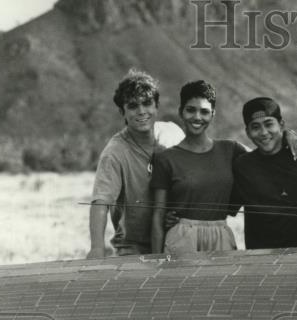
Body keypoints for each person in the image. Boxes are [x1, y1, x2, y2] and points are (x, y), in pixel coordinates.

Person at [88, 69, 184, 258]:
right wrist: (97, 248)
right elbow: (101, 202)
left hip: (176, 239)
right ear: (122, 111)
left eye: (147, 103)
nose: (141, 111)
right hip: (134, 249)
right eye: (133, 106)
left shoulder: (173, 133)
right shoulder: (114, 153)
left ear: (156, 106)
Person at [149, 81, 245, 255]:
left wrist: (286, 135)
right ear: (181, 112)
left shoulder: (231, 150)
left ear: (213, 114)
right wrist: (156, 262)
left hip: (221, 236)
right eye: (191, 110)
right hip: (181, 238)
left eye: (204, 111)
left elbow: (263, 162)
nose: (197, 117)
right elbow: (158, 216)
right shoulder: (166, 158)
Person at [232, 97, 297, 249]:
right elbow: (216, 194)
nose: (263, 132)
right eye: (255, 127)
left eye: (269, 124)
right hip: (262, 260)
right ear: (248, 132)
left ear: (282, 124)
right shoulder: (242, 165)